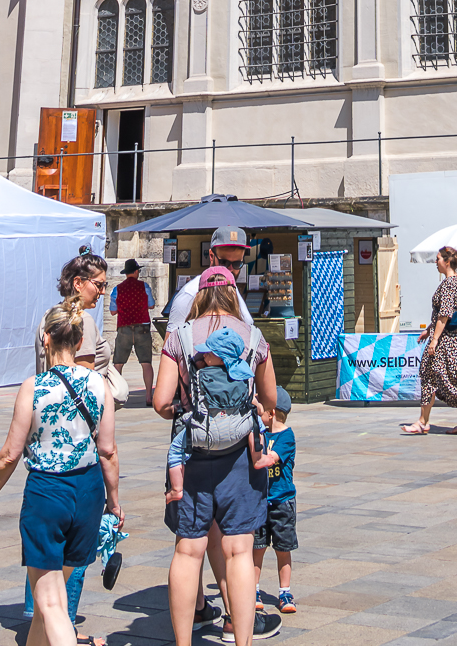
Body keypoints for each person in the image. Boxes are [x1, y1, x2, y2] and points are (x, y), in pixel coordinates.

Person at [0, 298, 122, 646]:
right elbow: (108, 451)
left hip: (47, 494)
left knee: (51, 602)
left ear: (45, 338)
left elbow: (10, 455)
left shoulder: (34, 387)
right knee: (48, 599)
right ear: (80, 341)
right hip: (88, 492)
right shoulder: (99, 384)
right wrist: (114, 502)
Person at [154, 269, 280, 645]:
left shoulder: (179, 337)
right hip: (239, 458)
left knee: (188, 550)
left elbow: (160, 402)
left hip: (191, 456)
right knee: (239, 550)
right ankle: (241, 640)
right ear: (232, 294)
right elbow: (271, 399)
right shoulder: (253, 337)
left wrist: (185, 409)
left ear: (199, 296)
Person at [28, 253, 114, 630]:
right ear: (78, 283)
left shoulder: (49, 317)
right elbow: (85, 379)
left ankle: (40, 619)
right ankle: (63, 624)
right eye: (99, 284)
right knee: (74, 552)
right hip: (78, 442)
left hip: (46, 441)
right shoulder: (82, 323)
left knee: (45, 544)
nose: (103, 291)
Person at [165, 320, 276, 503]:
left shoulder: (200, 374)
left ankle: (176, 489)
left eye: (209, 353)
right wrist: (259, 409)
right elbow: (253, 403)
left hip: (203, 432)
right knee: (256, 423)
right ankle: (258, 458)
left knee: (176, 450)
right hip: (239, 431)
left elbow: (190, 399)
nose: (204, 355)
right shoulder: (242, 377)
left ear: (221, 358)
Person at [400, 245, 457, 436]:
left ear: (447, 262)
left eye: (438, 258)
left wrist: (434, 340)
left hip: (447, 341)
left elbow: (444, 315)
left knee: (432, 375)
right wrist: (429, 330)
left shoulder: (448, 284)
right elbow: (446, 313)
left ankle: (423, 422)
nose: (435, 262)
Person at [252, 387, 297, 618]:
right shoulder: (262, 432)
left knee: (283, 548)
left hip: (282, 501)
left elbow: (269, 459)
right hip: (260, 501)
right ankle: (253, 590)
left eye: (261, 410)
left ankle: (285, 592)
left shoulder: (286, 437)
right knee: (257, 547)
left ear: (271, 413)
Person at [166, 226, 254, 331]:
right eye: (224, 263)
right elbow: (172, 340)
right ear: (211, 256)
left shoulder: (232, 288)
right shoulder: (190, 294)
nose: (230, 270)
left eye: (237, 264)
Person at [111, 259, 156, 403]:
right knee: (146, 363)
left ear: (126, 273)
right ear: (136, 272)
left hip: (124, 328)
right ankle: (148, 396)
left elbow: (112, 311)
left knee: (118, 363)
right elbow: (151, 305)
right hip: (142, 328)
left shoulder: (117, 289)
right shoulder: (144, 286)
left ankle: (116, 395)